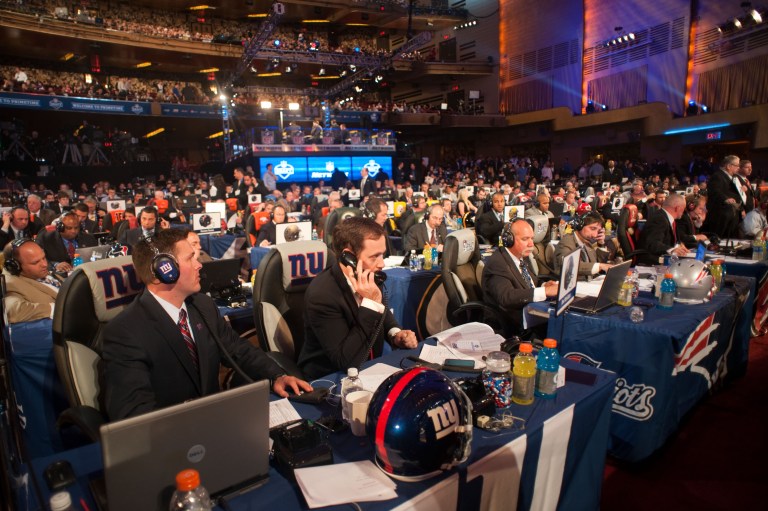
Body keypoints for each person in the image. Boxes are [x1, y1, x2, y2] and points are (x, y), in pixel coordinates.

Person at [100, 229, 311, 420]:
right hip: (171, 442)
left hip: (215, 426)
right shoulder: (124, 332)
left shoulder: (201, 304)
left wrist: (276, 375)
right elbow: (134, 415)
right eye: (190, 258)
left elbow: (238, 349)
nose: (199, 264)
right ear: (164, 271)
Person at [299, 217, 418, 379]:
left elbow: (384, 317)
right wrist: (370, 303)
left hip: (370, 369)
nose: (382, 264)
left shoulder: (369, 276)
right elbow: (346, 360)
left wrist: (395, 334)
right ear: (349, 257)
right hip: (329, 378)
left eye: (382, 254)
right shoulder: (322, 294)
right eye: (374, 256)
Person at [481, 220, 559, 335]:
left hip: (530, 314)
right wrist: (545, 291)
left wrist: (544, 285)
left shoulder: (521, 256)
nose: (531, 244)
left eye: (532, 238)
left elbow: (530, 283)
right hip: (513, 325)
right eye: (525, 239)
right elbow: (506, 297)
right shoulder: (497, 263)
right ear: (509, 240)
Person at [2, 239, 60, 324]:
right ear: (15, 266)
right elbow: (13, 311)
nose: (44, 264)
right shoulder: (10, 285)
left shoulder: (38, 272)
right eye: (35, 262)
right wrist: (58, 308)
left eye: (43, 258)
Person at [554, 212, 615, 280]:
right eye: (593, 228)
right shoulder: (567, 242)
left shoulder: (586, 243)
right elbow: (569, 265)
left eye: (598, 231)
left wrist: (601, 244)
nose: (595, 235)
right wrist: (600, 266)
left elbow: (595, 264)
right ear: (580, 225)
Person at [637, 193, 690, 265]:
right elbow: (653, 244)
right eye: (683, 208)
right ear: (677, 208)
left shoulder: (668, 218)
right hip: (653, 263)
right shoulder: (659, 219)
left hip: (665, 259)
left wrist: (679, 246)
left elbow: (670, 240)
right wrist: (672, 250)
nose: (683, 212)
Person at [701, 155, 743, 239]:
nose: (738, 168)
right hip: (720, 214)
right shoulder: (718, 176)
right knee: (719, 238)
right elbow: (715, 191)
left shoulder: (734, 177)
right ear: (728, 166)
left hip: (732, 212)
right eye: (737, 165)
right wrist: (725, 199)